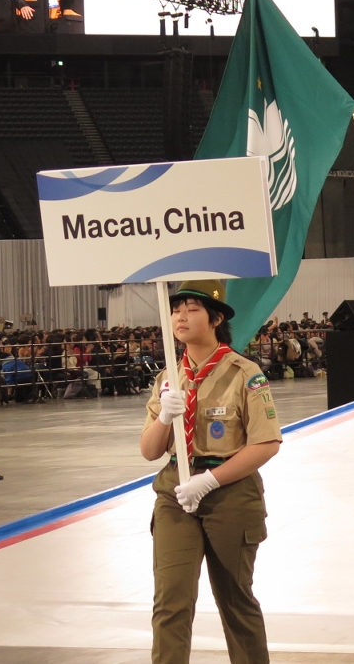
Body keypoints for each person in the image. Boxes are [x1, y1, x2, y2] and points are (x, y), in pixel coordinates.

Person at [140, 280, 281, 664]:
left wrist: (210, 480)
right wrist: (165, 417)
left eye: (192, 309)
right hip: (175, 491)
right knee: (170, 602)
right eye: (175, 309)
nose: (180, 316)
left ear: (216, 318)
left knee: (235, 600)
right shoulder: (168, 377)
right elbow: (150, 451)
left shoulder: (244, 373)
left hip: (230, 490)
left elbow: (266, 443)